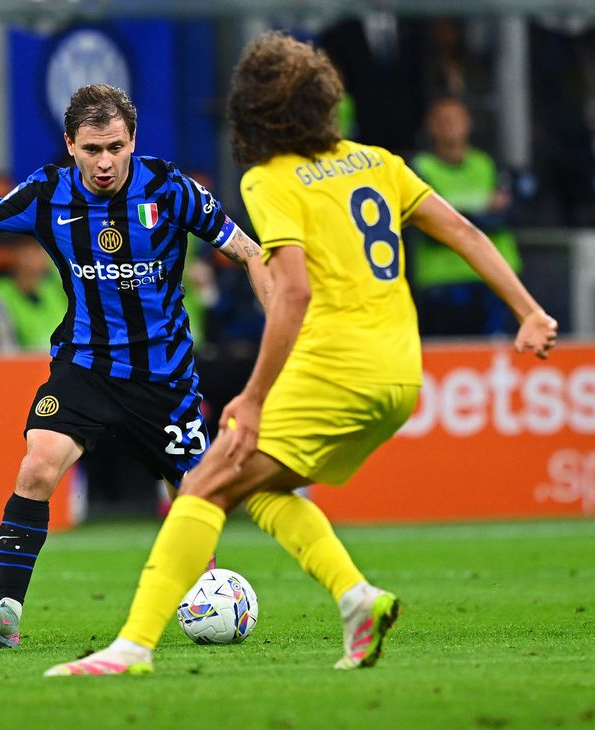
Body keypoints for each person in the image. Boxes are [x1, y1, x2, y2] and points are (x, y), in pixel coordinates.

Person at [43, 32, 557, 677]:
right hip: (402, 375)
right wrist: (529, 311)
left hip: (333, 369)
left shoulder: (271, 180)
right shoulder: (378, 161)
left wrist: (253, 395)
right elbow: (465, 232)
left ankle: (131, 649)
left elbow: (293, 292)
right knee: (262, 488)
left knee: (204, 482)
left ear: (253, 113)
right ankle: (357, 599)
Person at [0, 83, 270, 650]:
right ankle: (7, 612)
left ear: (133, 142)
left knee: (194, 495)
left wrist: (283, 323)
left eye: (116, 147)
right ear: (71, 144)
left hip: (164, 377)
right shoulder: (47, 193)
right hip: (85, 366)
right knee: (38, 465)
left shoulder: (170, 189)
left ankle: (204, 598)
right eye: (93, 148)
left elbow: (248, 252)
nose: (105, 162)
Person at [410, 98, 522, 336]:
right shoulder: (420, 168)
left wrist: (455, 214)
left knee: (499, 356)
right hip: (443, 284)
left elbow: (508, 215)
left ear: (468, 123)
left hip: (494, 280)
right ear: (431, 126)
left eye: (456, 119)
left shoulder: (486, 163)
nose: (450, 125)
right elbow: (428, 226)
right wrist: (483, 212)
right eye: (443, 120)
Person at [0, 236, 67, 351]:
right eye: (29, 249)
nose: (38, 255)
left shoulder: (54, 288)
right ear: (13, 253)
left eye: (40, 249)